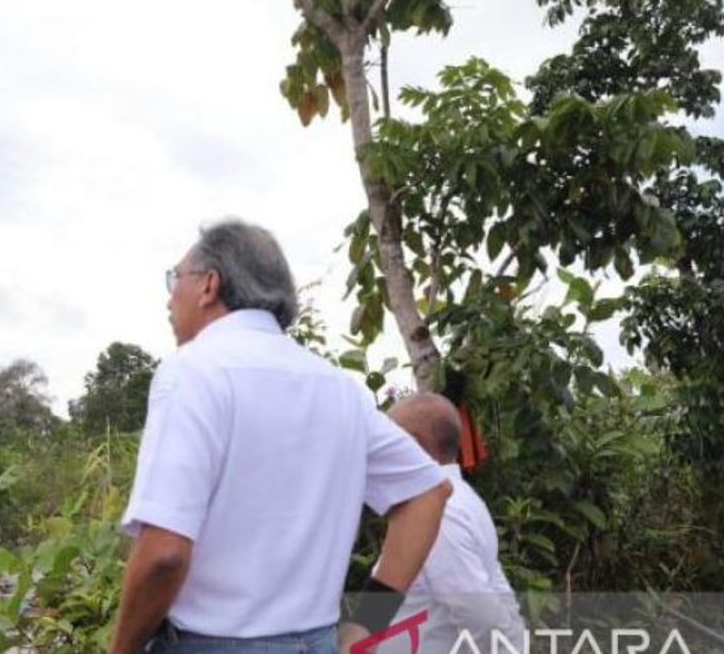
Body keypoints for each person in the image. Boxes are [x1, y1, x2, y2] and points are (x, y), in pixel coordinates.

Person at [108, 219, 453, 654]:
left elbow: (164, 554)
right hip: (318, 642)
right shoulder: (338, 388)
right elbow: (429, 492)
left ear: (209, 285)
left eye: (175, 279)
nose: (169, 297)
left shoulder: (195, 371)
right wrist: (367, 626)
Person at [376, 393, 526, 654]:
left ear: (413, 444)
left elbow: (480, 617)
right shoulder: (460, 500)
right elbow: (496, 589)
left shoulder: (441, 514)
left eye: (388, 440)